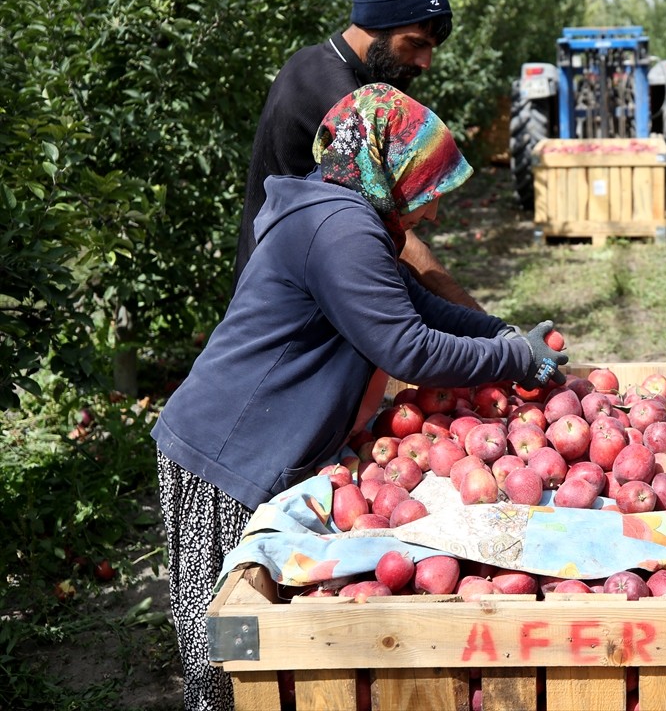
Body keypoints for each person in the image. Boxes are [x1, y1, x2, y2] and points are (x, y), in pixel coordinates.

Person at [154, 84, 568, 710]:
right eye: (427, 190)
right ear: (389, 167)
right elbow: (409, 349)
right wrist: (513, 357)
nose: (431, 213)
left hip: (258, 451)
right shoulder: (341, 228)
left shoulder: (343, 217)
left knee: (257, 636)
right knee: (232, 639)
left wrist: (502, 333)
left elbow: (419, 306)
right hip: (225, 457)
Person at [233, 0, 479, 311]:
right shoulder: (336, 93)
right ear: (376, 23)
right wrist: (486, 327)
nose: (425, 62)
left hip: (308, 285)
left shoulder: (348, 77)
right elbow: (396, 235)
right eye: (415, 43)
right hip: (283, 307)